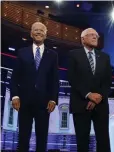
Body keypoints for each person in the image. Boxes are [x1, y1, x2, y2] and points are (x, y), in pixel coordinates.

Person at [10, 22, 59, 152]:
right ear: (31, 34)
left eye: (41, 30)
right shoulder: (22, 52)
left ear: (45, 35)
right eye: (36, 30)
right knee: (23, 138)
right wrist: (15, 96)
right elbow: (15, 77)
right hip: (24, 102)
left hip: (44, 104)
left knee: (42, 138)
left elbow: (54, 80)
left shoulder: (52, 55)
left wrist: (53, 99)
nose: (38, 32)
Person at [68, 28, 112, 152]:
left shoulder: (105, 57)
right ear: (83, 39)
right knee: (82, 141)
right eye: (91, 35)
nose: (95, 37)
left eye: (96, 36)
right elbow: (72, 78)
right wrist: (88, 95)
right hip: (81, 103)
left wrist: (98, 97)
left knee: (103, 140)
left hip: (101, 104)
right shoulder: (73, 54)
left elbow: (108, 81)